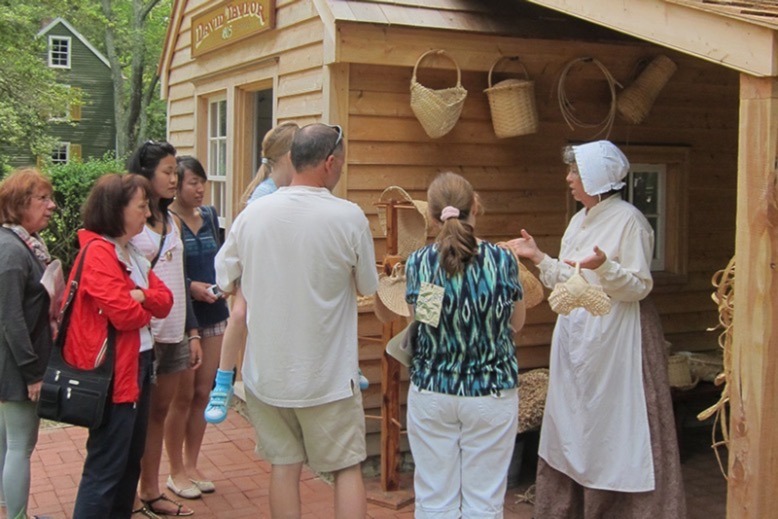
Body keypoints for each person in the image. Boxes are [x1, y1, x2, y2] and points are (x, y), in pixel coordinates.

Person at [507, 140, 686, 518]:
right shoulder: (579, 220)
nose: (568, 178)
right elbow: (570, 280)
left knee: (614, 425)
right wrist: (538, 256)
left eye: (576, 171)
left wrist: (605, 265)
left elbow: (638, 286)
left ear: (596, 177)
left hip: (617, 338)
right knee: (574, 423)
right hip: (576, 338)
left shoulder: (629, 221)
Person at [215, 123, 378, 517]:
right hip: (329, 378)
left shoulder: (253, 215)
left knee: (283, 468)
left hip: (267, 375)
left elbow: (224, 277)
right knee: (346, 467)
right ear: (329, 162)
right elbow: (368, 284)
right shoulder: (349, 217)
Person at [403, 171, 526, 518]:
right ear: (475, 206)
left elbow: (423, 322)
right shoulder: (504, 261)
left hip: (434, 390)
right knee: (484, 503)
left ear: (431, 215)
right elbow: (516, 324)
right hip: (491, 392)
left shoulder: (420, 263)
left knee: (434, 500)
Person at [65, 174, 173, 519]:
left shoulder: (130, 253)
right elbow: (125, 315)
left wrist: (141, 296)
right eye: (140, 206)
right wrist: (144, 303)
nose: (146, 213)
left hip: (137, 365)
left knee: (129, 461)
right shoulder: (99, 252)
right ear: (116, 210)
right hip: (114, 373)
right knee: (107, 465)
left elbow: (165, 299)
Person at [205, 121, 299, 424]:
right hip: (255, 265)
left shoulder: (291, 189)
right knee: (239, 314)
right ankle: (223, 382)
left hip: (281, 266)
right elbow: (244, 242)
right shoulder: (265, 194)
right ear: (288, 157)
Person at [128, 141, 201, 517]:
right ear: (145, 174)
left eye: (176, 172)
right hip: (141, 337)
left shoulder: (171, 219)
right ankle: (125, 495)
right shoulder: (128, 221)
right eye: (167, 172)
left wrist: (191, 331)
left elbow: (179, 277)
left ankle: (151, 491)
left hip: (173, 333)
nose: (175, 179)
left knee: (159, 413)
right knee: (133, 417)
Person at [164, 156, 229, 497]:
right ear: (177, 185)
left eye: (202, 182)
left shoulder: (209, 216)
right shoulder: (167, 221)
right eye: (193, 182)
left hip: (215, 314)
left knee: (205, 393)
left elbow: (221, 258)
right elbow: (164, 270)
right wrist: (192, 287)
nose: (200, 188)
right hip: (185, 318)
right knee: (182, 396)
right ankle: (175, 470)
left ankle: (193, 463)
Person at [0, 168, 56, 519]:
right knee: (20, 445)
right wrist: (34, 373)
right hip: (17, 368)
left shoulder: (22, 244)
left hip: (12, 365)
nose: (51, 206)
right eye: (43, 199)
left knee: (7, 443)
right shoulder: (12, 252)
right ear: (20, 205)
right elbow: (11, 320)